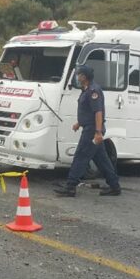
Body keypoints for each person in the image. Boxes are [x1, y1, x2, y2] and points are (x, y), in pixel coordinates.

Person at [54, 65, 121, 197]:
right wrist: (79, 123)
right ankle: (115, 186)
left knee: (80, 156)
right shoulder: (86, 90)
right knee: (102, 160)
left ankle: (70, 187)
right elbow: (88, 111)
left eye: (79, 75)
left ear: (84, 77)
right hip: (90, 127)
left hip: (92, 130)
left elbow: (98, 112)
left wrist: (98, 132)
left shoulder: (93, 91)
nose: (77, 77)